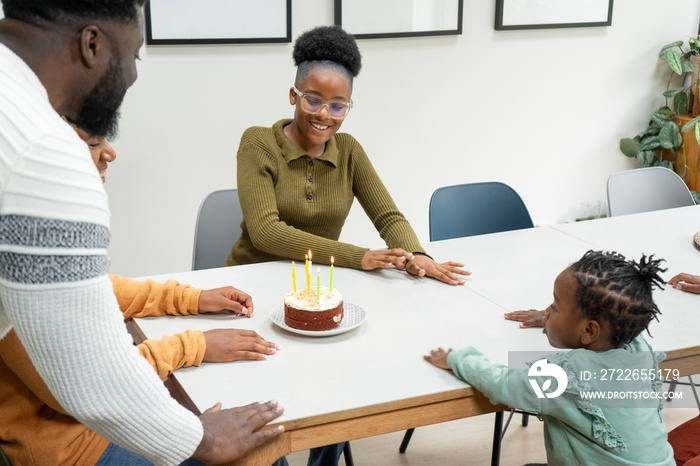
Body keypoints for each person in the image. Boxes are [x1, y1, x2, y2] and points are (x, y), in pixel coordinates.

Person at [0, 2, 283, 465]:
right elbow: (91, 380)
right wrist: (204, 440)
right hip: (75, 446)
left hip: (78, 421)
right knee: (261, 449)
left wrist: (188, 299)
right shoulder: (44, 153)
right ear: (92, 45)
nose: (132, 75)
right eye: (134, 56)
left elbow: (73, 289)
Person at [225, 25, 470, 287]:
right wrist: (358, 256)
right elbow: (266, 233)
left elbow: (388, 217)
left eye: (338, 106)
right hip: (249, 281)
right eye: (313, 100)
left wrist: (415, 254)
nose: (324, 114)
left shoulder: (349, 150)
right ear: (292, 96)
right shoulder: (258, 143)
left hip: (315, 285)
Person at [426, 250, 676, 465]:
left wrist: (456, 359)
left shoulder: (566, 375)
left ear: (589, 331)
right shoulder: (639, 348)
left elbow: (501, 383)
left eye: (555, 307)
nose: (547, 310)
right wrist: (559, 319)